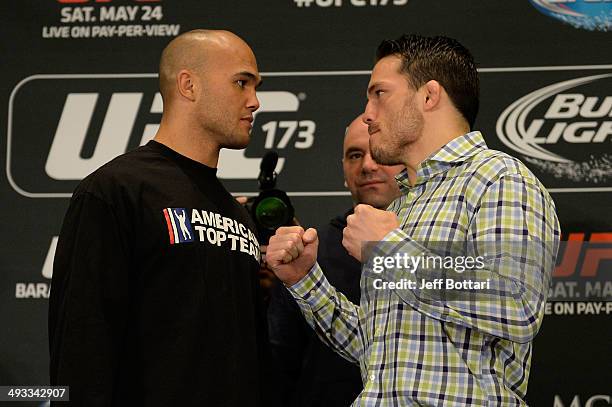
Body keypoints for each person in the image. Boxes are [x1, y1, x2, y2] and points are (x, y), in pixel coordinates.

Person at [266, 34, 560, 406]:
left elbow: (516, 303)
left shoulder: (498, 179)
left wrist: (388, 250)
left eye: (380, 93)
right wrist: (306, 281)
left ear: (429, 95)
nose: (368, 113)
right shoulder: (403, 206)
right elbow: (375, 346)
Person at [49, 30, 269, 406]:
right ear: (188, 85)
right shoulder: (116, 190)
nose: (255, 101)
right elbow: (81, 345)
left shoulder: (237, 215)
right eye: (241, 83)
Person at [267, 116, 403, 406]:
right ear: (343, 169)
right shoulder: (308, 251)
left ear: (406, 160)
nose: (368, 165)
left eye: (379, 154)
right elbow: (279, 360)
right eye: (355, 155)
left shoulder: (437, 246)